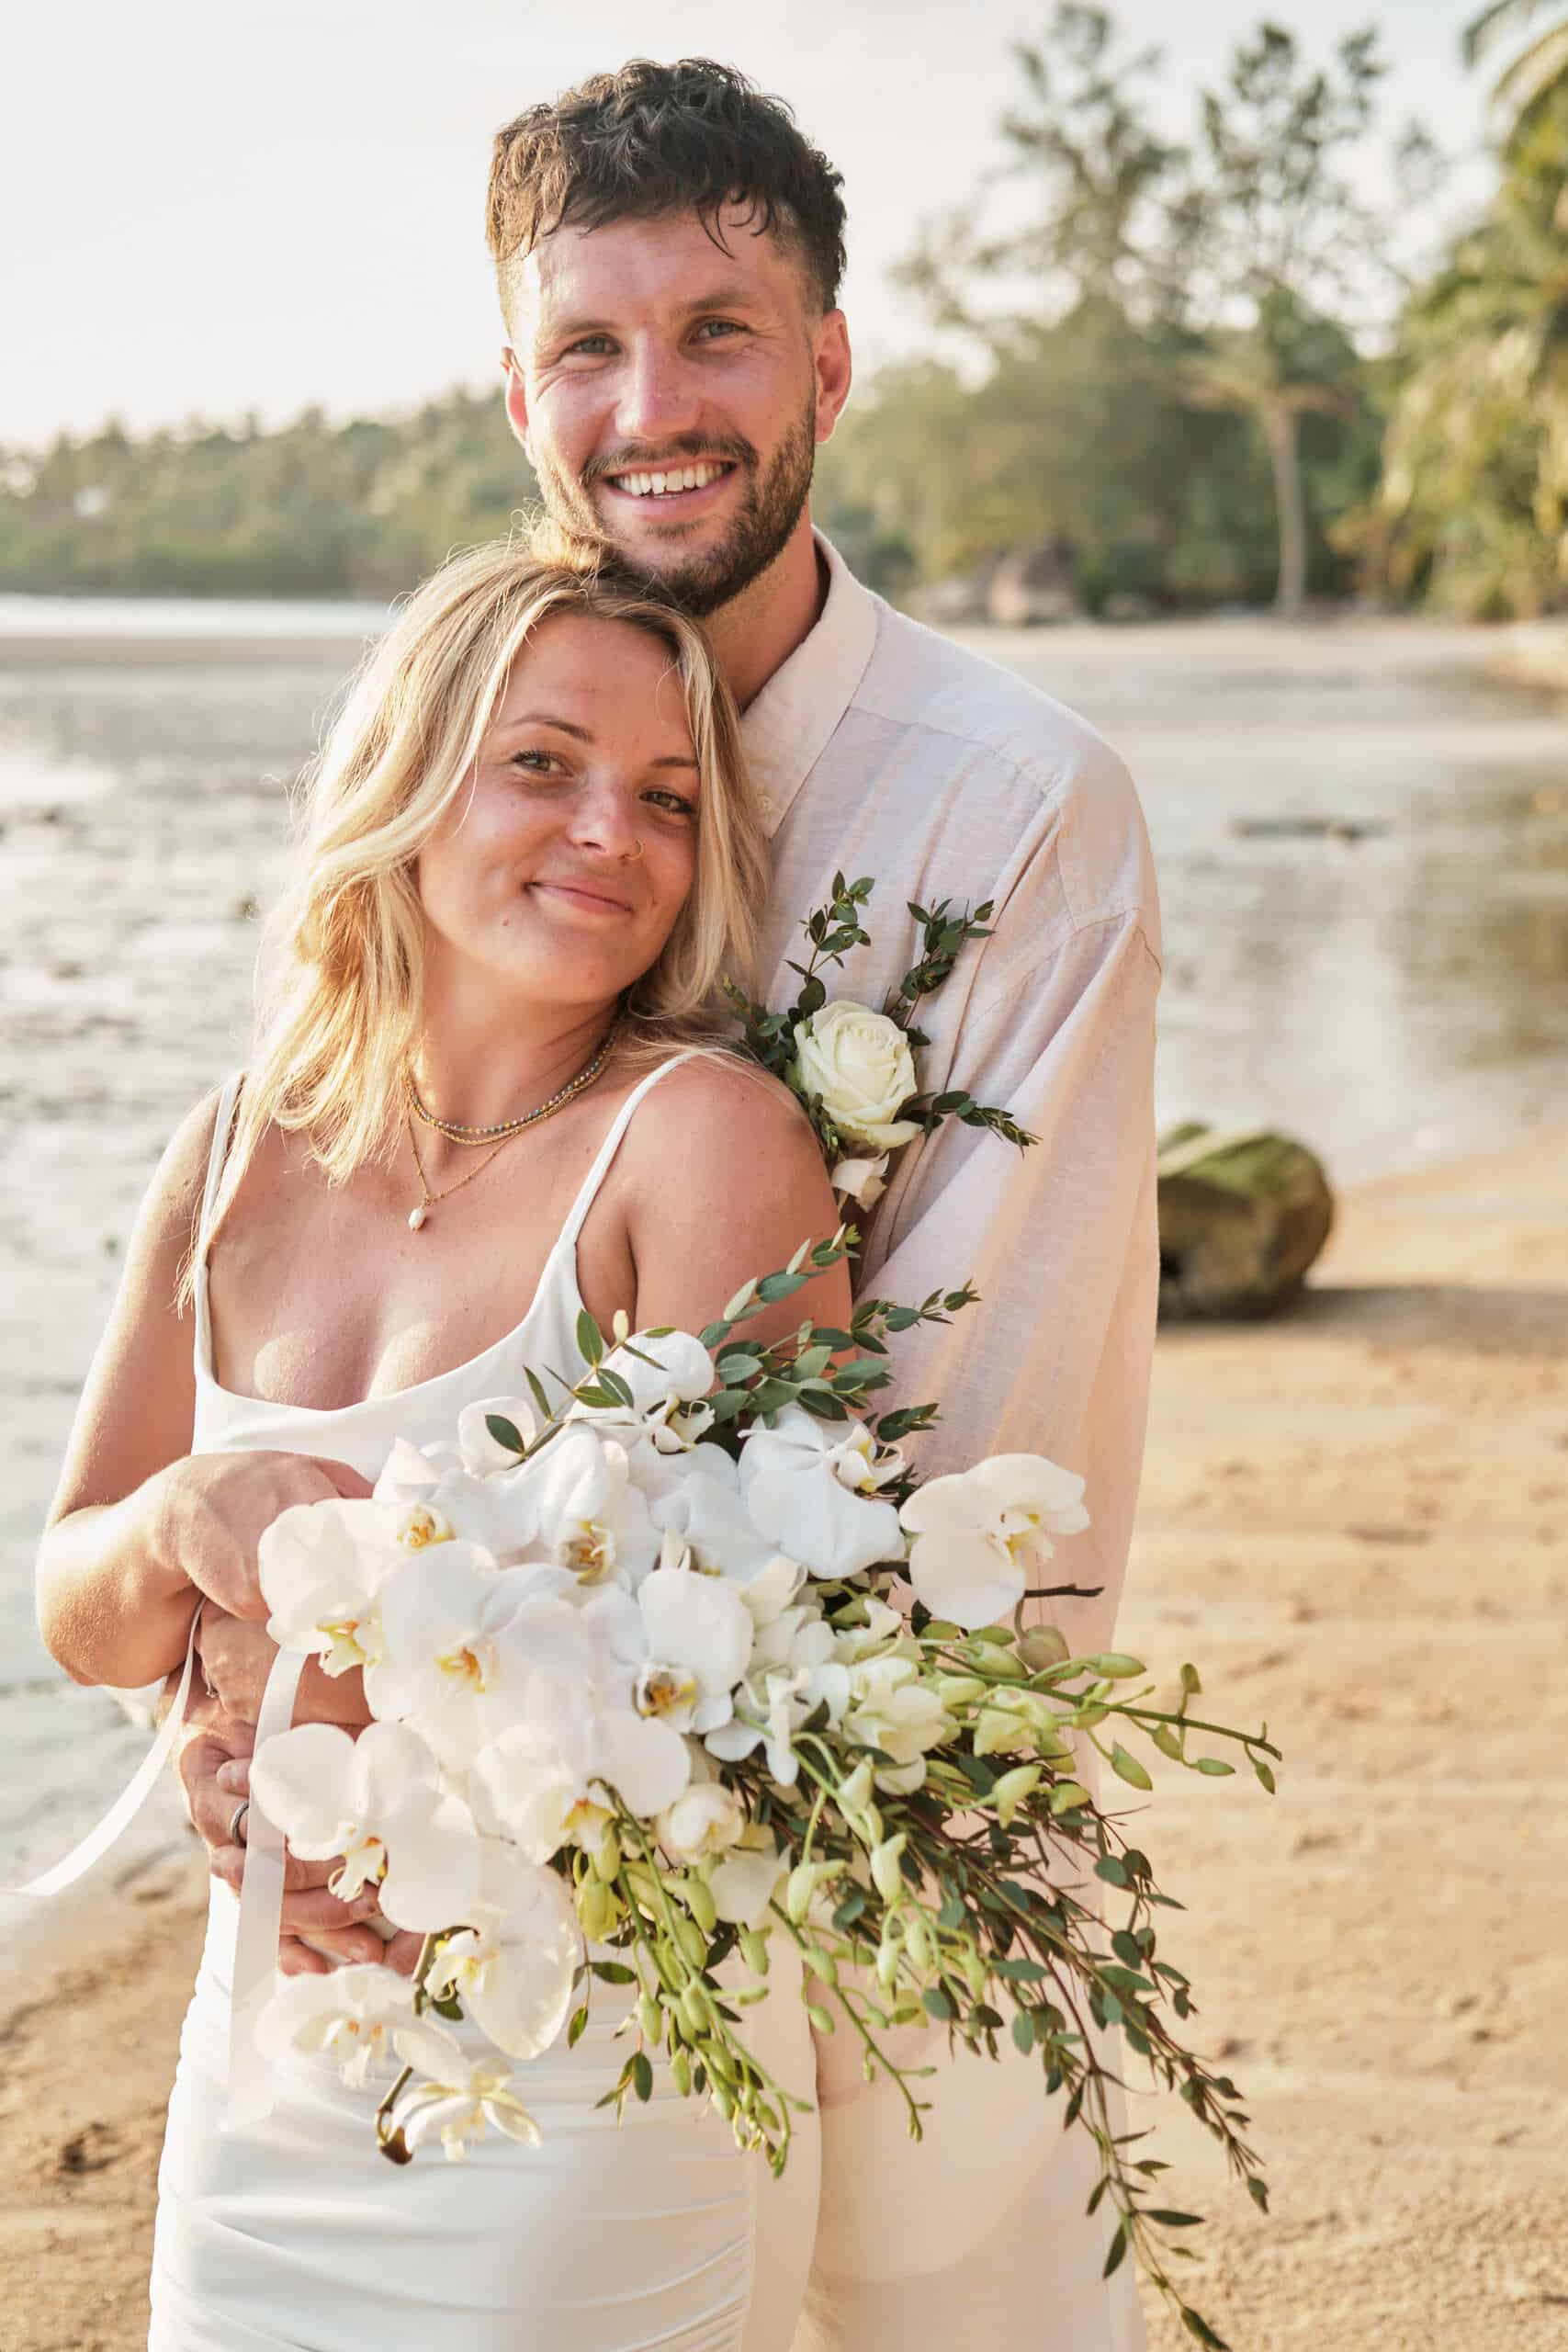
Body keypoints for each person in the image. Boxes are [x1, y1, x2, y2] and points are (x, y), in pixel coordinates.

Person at [173, 55, 1160, 2352]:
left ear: (824, 360)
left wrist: (843, 1839)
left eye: (719, 331)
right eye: (591, 347)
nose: (656, 405)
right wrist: (260, 1702)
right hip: (457, 1899)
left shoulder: (1012, 808)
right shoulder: (446, 791)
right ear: (519, 389)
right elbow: (323, 1287)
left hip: (862, 1844)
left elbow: (994, 1428)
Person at [38, 546, 842, 2349]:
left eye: (664, 796)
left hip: (584, 2075)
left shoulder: (699, 1142)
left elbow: (797, 1667)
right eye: (540, 762)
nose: (607, 833)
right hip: (264, 2070)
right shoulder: (235, 1151)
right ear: (407, 775)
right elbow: (77, 1611)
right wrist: (183, 1526)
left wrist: (356, 1736)